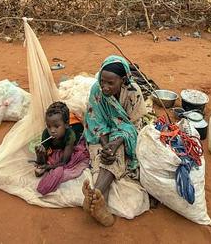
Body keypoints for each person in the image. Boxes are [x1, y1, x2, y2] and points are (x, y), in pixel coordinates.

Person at [82, 55, 153, 226]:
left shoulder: (133, 93)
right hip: (101, 135)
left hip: (123, 135)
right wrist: (107, 146)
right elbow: (95, 123)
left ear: (122, 80)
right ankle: (100, 203)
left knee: (117, 151)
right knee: (104, 156)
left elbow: (134, 127)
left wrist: (115, 144)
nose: (105, 87)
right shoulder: (96, 91)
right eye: (102, 81)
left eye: (110, 83)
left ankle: (95, 195)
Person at [34, 102, 90, 196]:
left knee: (75, 159)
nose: (52, 131)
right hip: (58, 148)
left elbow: (64, 162)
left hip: (71, 142)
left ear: (67, 124)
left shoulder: (70, 135)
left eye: (56, 126)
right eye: (49, 126)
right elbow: (41, 161)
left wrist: (47, 167)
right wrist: (40, 154)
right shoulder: (46, 134)